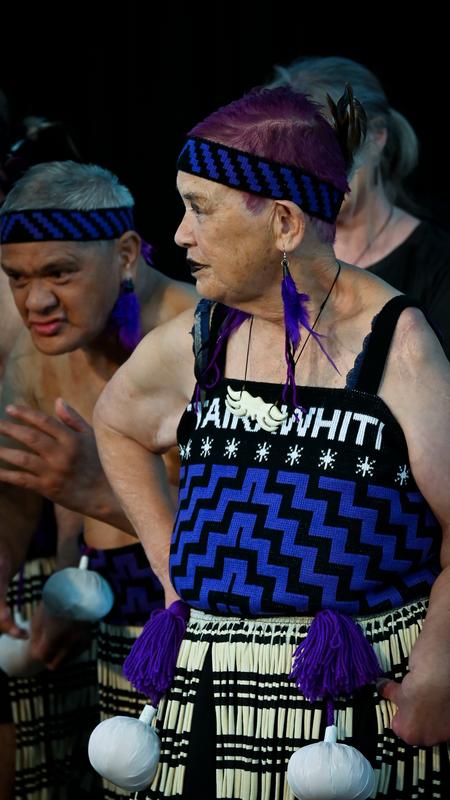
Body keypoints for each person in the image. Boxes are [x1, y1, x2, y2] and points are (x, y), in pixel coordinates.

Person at [94, 85, 450, 800]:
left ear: (284, 222)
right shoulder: (202, 336)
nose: (181, 235)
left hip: (347, 716)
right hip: (207, 712)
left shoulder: (398, 347)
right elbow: (118, 422)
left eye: (200, 209)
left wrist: (439, 663)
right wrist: (172, 569)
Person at [0, 160, 197, 798]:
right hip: (89, 596)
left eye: (60, 272)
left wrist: (97, 493)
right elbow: (15, 488)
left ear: (126, 254)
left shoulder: (204, 341)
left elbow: (236, 538)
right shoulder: (38, 352)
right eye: (17, 278)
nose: (36, 301)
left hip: (191, 611)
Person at [269, 55, 450, 357]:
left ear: (377, 138)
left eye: (329, 150)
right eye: (290, 158)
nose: (310, 174)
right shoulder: (274, 251)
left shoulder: (438, 264)